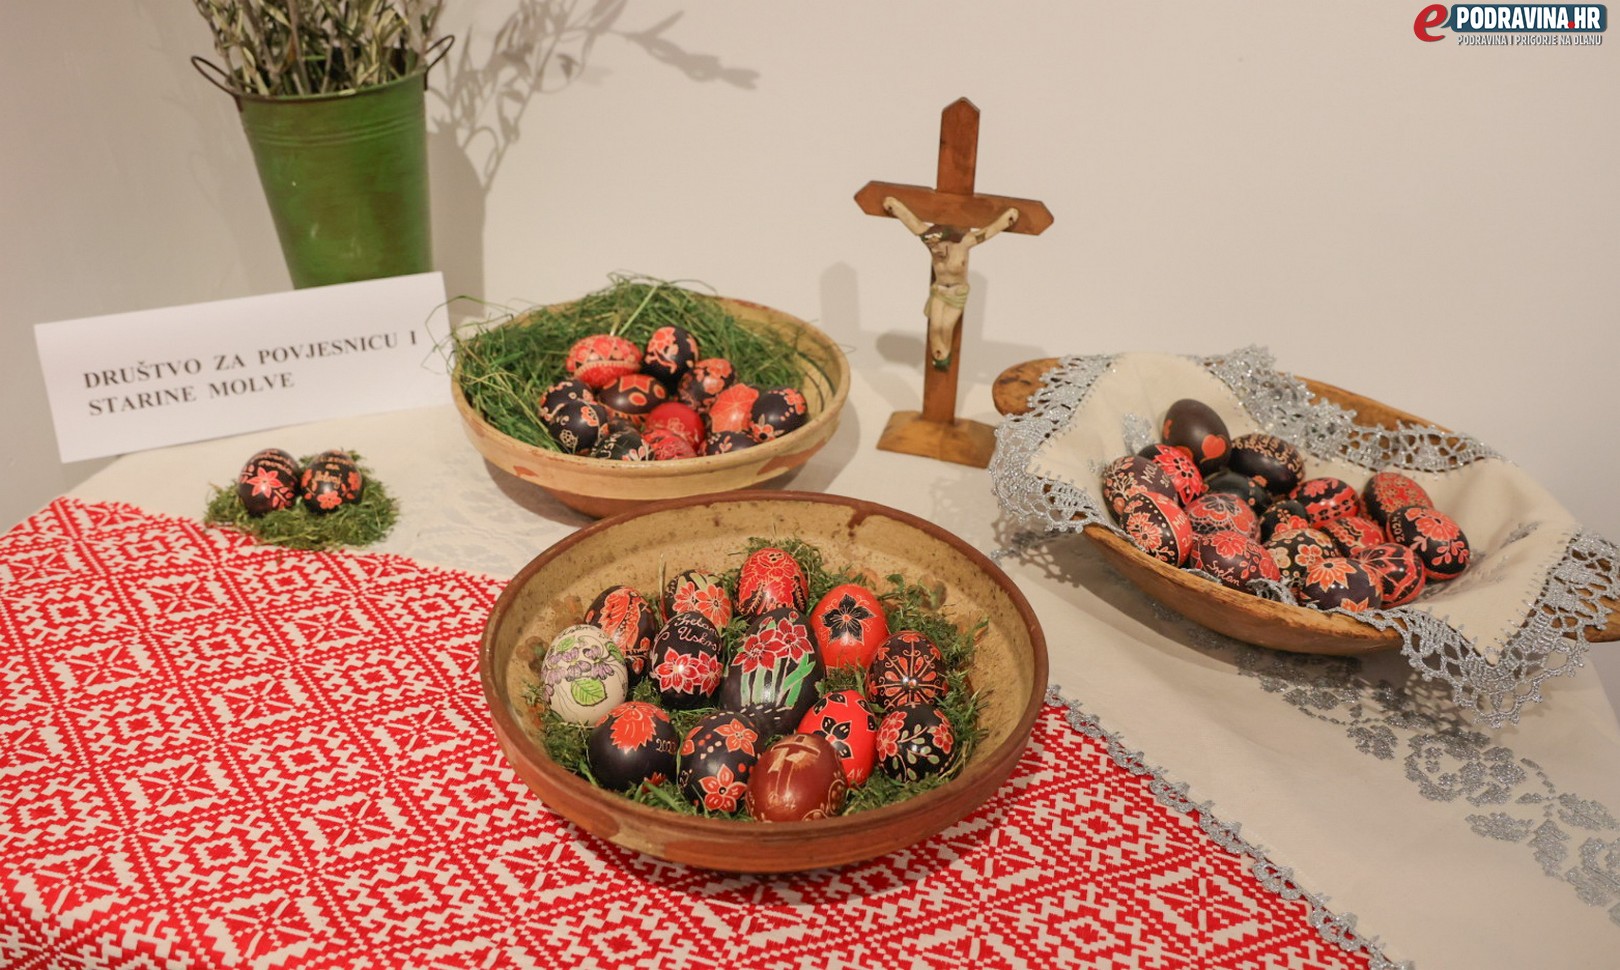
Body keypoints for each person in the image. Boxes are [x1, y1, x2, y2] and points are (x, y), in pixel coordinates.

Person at [882, 195, 1019, 370]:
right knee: (935, 326)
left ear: (947, 240)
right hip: (939, 290)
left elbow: (986, 233)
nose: (935, 250)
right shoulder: (932, 243)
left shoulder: (964, 243)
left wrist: (1005, 220)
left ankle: (945, 354)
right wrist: (895, 207)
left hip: (957, 292)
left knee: (946, 327)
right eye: (932, 247)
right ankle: (938, 355)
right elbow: (914, 224)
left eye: (938, 246)